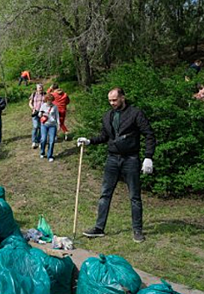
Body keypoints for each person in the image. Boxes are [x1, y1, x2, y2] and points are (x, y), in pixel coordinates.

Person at [77, 87, 156, 243]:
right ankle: (99, 228)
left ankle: (137, 230)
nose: (112, 103)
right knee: (105, 194)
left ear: (122, 98)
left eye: (114, 100)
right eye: (110, 100)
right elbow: (105, 136)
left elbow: (149, 135)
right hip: (112, 159)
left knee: (134, 196)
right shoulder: (108, 116)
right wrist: (89, 141)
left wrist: (148, 157)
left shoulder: (135, 113)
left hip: (131, 159)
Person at [39, 94, 60, 162]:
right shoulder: (43, 105)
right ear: (46, 100)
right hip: (44, 124)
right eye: (48, 100)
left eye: (51, 100)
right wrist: (41, 113)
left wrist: (59, 124)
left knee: (52, 141)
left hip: (52, 125)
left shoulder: (55, 107)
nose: (49, 101)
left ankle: (49, 155)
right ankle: (42, 152)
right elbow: (39, 114)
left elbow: (57, 116)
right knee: (43, 139)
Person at [29, 83, 45, 149]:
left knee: (41, 127)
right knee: (35, 127)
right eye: (39, 87)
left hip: (43, 113)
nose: (40, 89)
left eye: (41, 87)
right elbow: (30, 103)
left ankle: (40, 141)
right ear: (37, 88)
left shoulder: (45, 94)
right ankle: (34, 141)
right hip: (35, 112)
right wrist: (33, 108)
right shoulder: (34, 94)